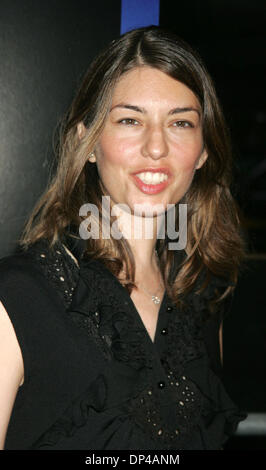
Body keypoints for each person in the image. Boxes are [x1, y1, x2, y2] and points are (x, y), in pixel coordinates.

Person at [0, 26, 247, 450]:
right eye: (130, 120)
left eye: (181, 123)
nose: (156, 147)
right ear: (88, 143)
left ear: (204, 151)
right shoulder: (17, 297)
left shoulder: (205, 295)